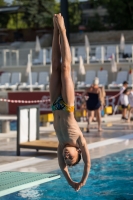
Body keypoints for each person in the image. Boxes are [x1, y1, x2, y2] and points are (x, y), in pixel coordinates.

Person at [50, 13, 90, 191]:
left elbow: (62, 167)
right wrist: (80, 181)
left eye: (66, 158)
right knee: (65, 69)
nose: (66, 156)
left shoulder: (60, 144)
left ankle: (55, 30)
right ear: (78, 152)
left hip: (54, 104)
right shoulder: (79, 141)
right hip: (67, 104)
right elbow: (88, 164)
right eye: (71, 157)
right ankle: (63, 30)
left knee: (55, 67)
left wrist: (69, 181)